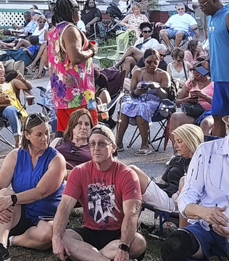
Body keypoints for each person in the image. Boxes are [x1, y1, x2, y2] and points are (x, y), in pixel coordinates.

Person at [51, 125, 146, 261]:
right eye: (92, 144)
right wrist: (56, 238)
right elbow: (64, 207)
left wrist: (124, 247)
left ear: (113, 147)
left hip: (118, 234)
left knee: (139, 242)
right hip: (90, 232)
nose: (96, 148)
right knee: (63, 236)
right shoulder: (79, 171)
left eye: (101, 144)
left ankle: (85, 256)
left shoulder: (127, 174)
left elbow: (131, 214)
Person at [0, 114, 66, 261]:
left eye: (47, 133)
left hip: (47, 216)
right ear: (27, 135)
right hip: (20, 213)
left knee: (49, 234)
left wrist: (12, 199)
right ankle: (1, 249)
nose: (45, 138)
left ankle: (10, 240)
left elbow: (40, 192)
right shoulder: (15, 155)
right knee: (3, 192)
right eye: (39, 134)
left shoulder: (57, 160)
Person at [162, 117, 229, 261]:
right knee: (176, 244)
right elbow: (187, 194)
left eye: (180, 141)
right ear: (228, 126)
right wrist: (202, 211)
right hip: (207, 227)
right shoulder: (207, 151)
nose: (176, 145)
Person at [45, 0, 97, 133]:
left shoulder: (53, 31)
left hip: (61, 93)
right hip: (79, 93)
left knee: (67, 135)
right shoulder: (70, 30)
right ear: (71, 11)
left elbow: (47, 60)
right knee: (86, 134)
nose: (80, 11)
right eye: (77, 8)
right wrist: (91, 51)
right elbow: (76, 57)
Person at [126, 123, 202, 216]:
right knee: (129, 174)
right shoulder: (176, 160)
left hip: (175, 203)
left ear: (190, 141)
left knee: (132, 170)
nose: (175, 145)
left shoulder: (199, 164)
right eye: (175, 141)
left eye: (179, 141)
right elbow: (162, 182)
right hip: (163, 195)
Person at [115, 48, 171, 155]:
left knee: (142, 108)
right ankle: (119, 143)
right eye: (149, 62)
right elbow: (131, 93)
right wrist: (137, 91)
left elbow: (166, 96)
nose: (152, 65)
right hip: (138, 98)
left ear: (159, 62)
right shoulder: (138, 72)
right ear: (144, 61)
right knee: (124, 106)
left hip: (156, 101)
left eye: (155, 62)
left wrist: (157, 88)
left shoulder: (163, 74)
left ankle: (145, 145)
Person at [0, 61, 31, 156]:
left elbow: (29, 87)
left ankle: (18, 143)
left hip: (7, 109)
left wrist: (23, 80)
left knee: (11, 110)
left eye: (1, 67)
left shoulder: (12, 83)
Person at [168, 64, 216, 137]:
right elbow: (177, 102)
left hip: (209, 113)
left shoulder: (214, 83)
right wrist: (186, 100)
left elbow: (219, 104)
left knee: (205, 122)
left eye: (198, 69)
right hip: (194, 112)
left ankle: (203, 144)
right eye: (193, 69)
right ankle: (177, 144)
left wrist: (204, 96)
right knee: (175, 117)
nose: (195, 72)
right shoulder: (190, 82)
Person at [50, 108, 93, 173]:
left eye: (87, 124)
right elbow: (45, 160)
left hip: (81, 176)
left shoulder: (93, 147)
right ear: (72, 126)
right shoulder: (58, 141)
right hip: (56, 175)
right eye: (79, 123)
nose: (83, 127)